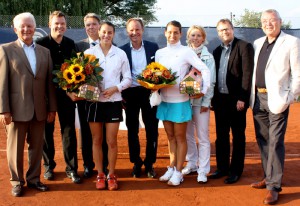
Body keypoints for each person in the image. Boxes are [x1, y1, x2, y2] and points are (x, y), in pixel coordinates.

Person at [0, 12, 57, 197]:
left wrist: (52, 108)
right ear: (15, 29)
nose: (26, 29)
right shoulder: (6, 50)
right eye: (22, 26)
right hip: (16, 110)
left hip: (40, 109)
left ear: (34, 28)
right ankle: (17, 181)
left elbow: (49, 83)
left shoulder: (44, 52)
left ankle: (34, 179)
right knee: (15, 148)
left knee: (37, 147)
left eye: (29, 26)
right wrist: (4, 109)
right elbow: (2, 83)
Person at [249, 9, 300, 205]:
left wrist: (291, 97)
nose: (268, 24)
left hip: (278, 99)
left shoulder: (291, 42)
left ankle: (274, 187)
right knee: (263, 139)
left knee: (275, 141)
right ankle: (267, 176)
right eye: (264, 21)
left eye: (272, 20)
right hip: (258, 97)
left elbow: (297, 73)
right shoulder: (257, 43)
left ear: (280, 21)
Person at [156, 20, 210, 186]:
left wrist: (204, 89)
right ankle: (172, 167)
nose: (172, 36)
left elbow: (204, 69)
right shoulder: (159, 53)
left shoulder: (186, 51)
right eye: (170, 32)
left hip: (181, 102)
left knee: (180, 138)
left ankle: (179, 172)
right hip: (164, 102)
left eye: (176, 33)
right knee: (171, 138)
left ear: (180, 34)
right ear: (165, 33)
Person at [84, 21, 132, 190]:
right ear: (98, 32)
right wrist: (90, 91)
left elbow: (128, 78)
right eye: (103, 32)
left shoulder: (120, 54)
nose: (106, 35)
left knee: (111, 141)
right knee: (96, 140)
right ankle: (100, 175)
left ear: (113, 34)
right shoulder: (88, 53)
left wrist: (115, 89)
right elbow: (82, 79)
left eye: (109, 32)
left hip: (114, 102)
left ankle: (111, 174)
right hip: (94, 103)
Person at [36, 11, 81, 184]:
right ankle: (49, 166)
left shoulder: (71, 44)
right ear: (50, 24)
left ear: (66, 25)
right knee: (47, 132)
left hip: (67, 97)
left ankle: (71, 169)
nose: (59, 26)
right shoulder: (41, 44)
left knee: (69, 131)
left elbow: (77, 70)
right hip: (47, 97)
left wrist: (73, 90)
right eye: (56, 23)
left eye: (62, 23)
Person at [209, 19, 254, 184]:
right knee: (221, 137)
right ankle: (222, 168)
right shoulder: (215, 51)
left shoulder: (244, 46)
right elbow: (213, 76)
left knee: (238, 137)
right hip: (220, 101)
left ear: (232, 29)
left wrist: (243, 98)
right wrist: (213, 99)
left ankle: (236, 171)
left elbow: (247, 74)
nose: (224, 32)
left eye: (226, 29)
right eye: (220, 30)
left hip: (237, 101)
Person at [120, 18, 159, 178]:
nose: (134, 32)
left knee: (152, 129)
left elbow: (159, 70)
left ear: (142, 30)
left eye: (137, 29)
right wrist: (121, 94)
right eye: (131, 30)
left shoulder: (153, 47)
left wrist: (156, 87)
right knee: (132, 129)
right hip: (130, 93)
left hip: (149, 92)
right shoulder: (122, 50)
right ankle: (136, 162)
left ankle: (150, 163)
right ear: (127, 31)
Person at [73, 13, 109, 178]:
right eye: (88, 25)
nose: (91, 27)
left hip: (105, 99)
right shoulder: (78, 46)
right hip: (85, 99)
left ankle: (105, 164)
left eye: (94, 24)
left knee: (104, 133)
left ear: (99, 26)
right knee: (86, 133)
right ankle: (88, 164)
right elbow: (73, 73)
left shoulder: (111, 45)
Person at [182, 25, 216, 183]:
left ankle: (203, 170)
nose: (195, 38)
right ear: (188, 37)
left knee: (202, 137)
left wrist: (206, 102)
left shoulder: (208, 57)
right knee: (188, 135)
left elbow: (211, 82)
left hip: (200, 103)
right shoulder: (183, 54)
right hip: (184, 102)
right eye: (192, 35)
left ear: (203, 38)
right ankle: (192, 163)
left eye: (198, 35)